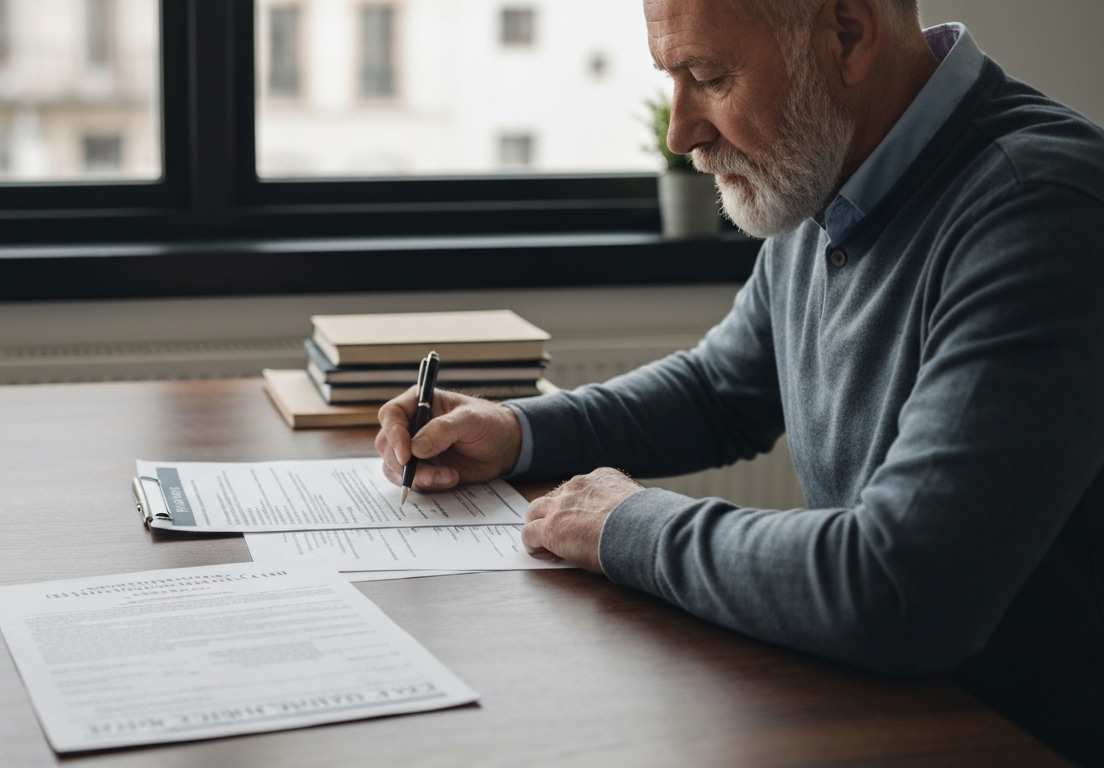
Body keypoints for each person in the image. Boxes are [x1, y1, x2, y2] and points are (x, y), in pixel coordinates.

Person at [375, 0, 1104, 763]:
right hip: (876, 709)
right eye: (673, 79)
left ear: (847, 34)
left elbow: (898, 587)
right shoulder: (832, 170)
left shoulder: (1042, 207)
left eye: (709, 77)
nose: (679, 132)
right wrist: (520, 430)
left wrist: (624, 524)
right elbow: (723, 388)